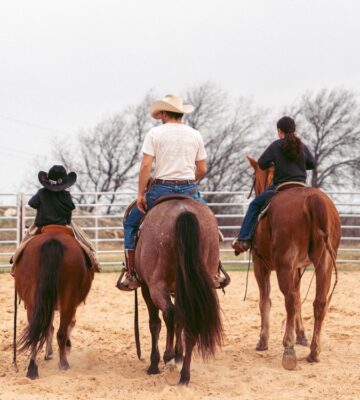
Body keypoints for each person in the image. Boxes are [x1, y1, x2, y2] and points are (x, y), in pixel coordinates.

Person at [116, 94, 208, 291]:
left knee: (130, 223)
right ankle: (215, 269)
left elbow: (146, 165)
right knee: (209, 222)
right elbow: (202, 169)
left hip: (160, 189)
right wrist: (190, 181)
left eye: (160, 114)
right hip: (188, 189)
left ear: (165, 113)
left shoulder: (155, 134)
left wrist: (141, 194)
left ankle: (131, 272)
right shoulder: (195, 134)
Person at [232, 116, 315, 254]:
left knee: (254, 205)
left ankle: (244, 239)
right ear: (294, 130)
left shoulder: (276, 145)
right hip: (301, 186)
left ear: (279, 131)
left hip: (281, 187)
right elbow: (312, 164)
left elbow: (262, 163)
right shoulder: (302, 146)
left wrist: (274, 162)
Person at [10, 165, 99, 273]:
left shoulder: (42, 192)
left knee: (25, 241)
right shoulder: (66, 195)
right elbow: (70, 210)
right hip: (64, 225)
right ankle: (93, 260)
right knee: (85, 241)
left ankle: (15, 261)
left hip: (42, 225)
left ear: (48, 180)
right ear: (65, 182)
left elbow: (32, 203)